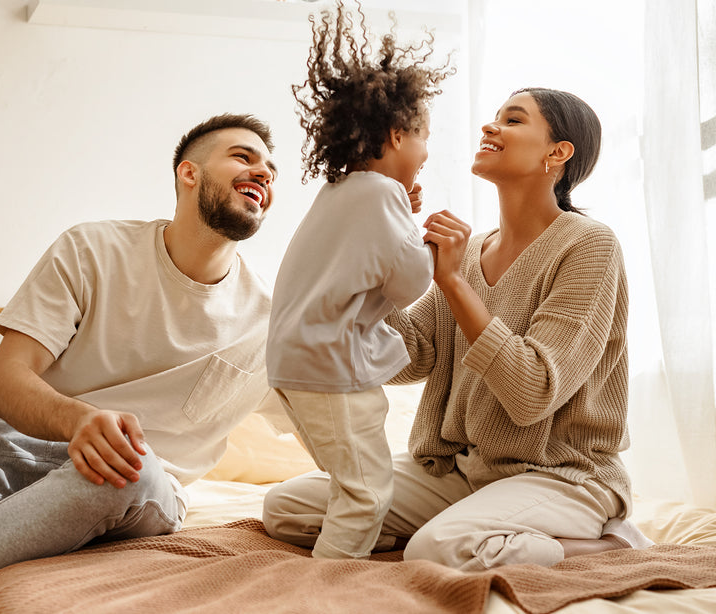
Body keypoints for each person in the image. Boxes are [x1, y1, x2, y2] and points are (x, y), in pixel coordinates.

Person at [263, 87, 654, 570]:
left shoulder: (589, 245)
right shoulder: (469, 252)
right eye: (494, 117)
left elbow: (533, 392)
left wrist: (450, 282)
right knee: (287, 508)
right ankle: (481, 527)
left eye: (513, 120)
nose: (490, 126)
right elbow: (413, 355)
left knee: (438, 548)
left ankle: (611, 545)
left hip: (562, 474)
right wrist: (381, 246)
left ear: (557, 153)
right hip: (464, 472)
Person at [0, 113, 282, 570]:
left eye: (270, 168)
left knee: (131, 468)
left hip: (130, 484)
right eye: (242, 157)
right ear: (189, 173)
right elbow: (8, 375)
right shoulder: (91, 250)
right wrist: (78, 420)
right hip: (17, 446)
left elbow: (354, 397)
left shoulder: (275, 322)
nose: (263, 172)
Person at [265, 1, 453, 560]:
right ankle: (328, 587)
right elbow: (410, 283)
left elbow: (365, 261)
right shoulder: (383, 195)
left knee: (349, 481)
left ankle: (352, 555)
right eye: (423, 138)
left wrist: (401, 217)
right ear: (397, 135)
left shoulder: (342, 191)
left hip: (293, 364)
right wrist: (433, 246)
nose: (427, 152)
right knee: (366, 494)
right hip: (332, 368)